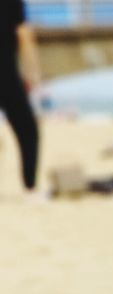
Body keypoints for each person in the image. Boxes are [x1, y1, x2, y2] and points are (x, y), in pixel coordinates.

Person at [1, 0, 40, 197]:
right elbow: (24, 34)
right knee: (28, 130)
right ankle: (30, 188)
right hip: (5, 74)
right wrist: (32, 72)